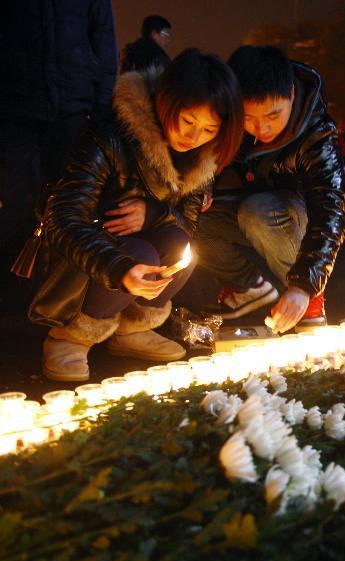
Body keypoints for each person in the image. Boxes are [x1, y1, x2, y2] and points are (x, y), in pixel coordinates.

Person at [30, 50, 244, 381]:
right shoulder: (111, 134)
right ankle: (69, 337)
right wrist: (119, 268)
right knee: (139, 253)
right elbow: (63, 219)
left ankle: (131, 331)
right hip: (74, 261)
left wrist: (154, 213)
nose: (193, 137)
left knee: (179, 243)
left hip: (126, 250)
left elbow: (186, 221)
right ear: (166, 101)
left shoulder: (199, 158)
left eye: (209, 129)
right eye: (188, 121)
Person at [196, 46, 345, 333]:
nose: (262, 128)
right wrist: (202, 187)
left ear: (292, 93)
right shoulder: (226, 116)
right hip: (246, 202)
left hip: (291, 214)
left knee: (259, 211)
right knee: (191, 217)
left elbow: (330, 206)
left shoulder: (317, 133)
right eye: (250, 118)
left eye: (273, 115)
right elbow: (205, 158)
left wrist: (306, 284)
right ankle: (247, 288)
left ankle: (309, 302)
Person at [0, 0, 117, 311]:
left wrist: (102, 104)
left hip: (72, 107)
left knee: (69, 204)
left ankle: (57, 299)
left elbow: (104, 39)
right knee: (17, 201)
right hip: (14, 108)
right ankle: (15, 296)